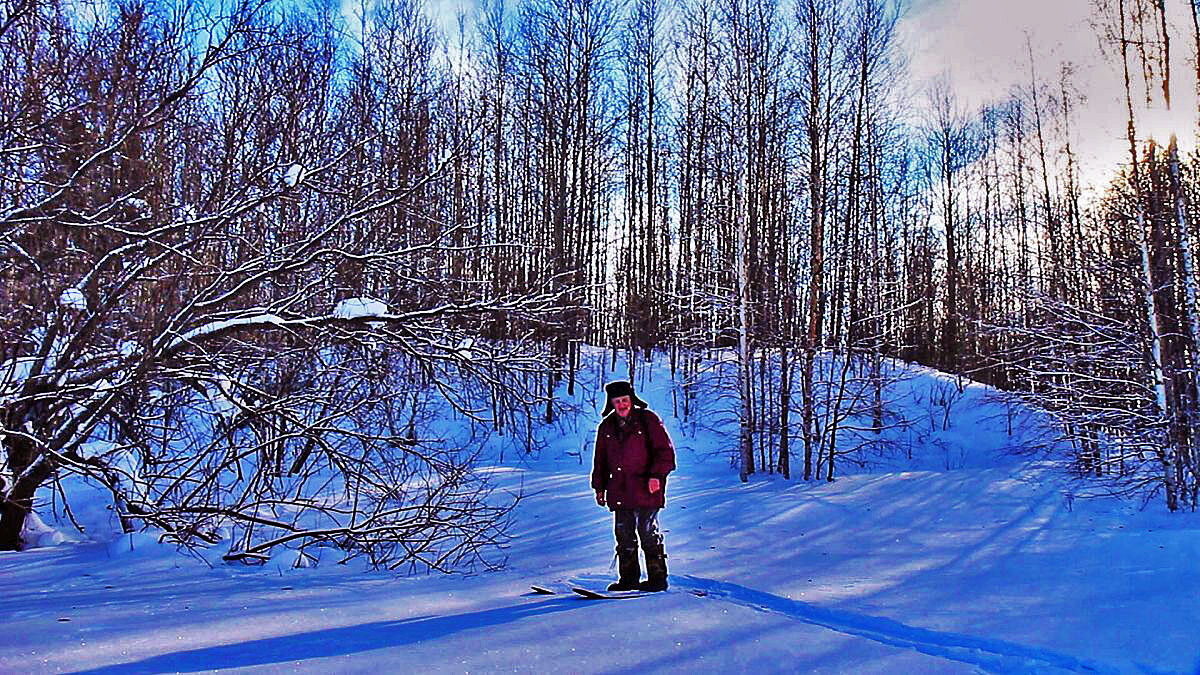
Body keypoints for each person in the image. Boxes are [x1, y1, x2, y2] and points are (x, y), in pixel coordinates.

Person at [591, 380, 676, 592]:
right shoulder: (606, 427)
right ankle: (628, 580)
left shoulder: (648, 420)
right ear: (611, 403)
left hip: (647, 488)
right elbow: (600, 461)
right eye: (617, 401)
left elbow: (666, 453)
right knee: (623, 535)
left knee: (648, 532)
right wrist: (599, 487)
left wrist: (656, 475)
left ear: (632, 400)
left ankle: (657, 579)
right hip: (619, 489)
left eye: (625, 400)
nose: (622, 405)